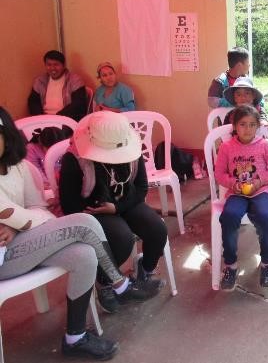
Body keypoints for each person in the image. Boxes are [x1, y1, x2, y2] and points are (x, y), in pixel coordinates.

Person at [0, 106, 161, 360]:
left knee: (85, 254)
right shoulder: (74, 161)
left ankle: (74, 338)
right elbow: (31, 213)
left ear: (6, 135)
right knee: (84, 223)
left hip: (27, 242)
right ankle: (120, 284)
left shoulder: (21, 168)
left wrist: (14, 223)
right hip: (4, 257)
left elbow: (40, 210)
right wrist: (20, 220)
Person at [58, 111, 168, 313]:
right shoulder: (74, 160)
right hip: (92, 210)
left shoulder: (131, 152)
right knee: (122, 238)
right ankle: (105, 281)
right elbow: (70, 205)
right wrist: (102, 212)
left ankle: (144, 271)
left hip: (125, 201)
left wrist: (117, 208)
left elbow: (141, 187)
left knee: (157, 230)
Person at [215, 105, 268, 290]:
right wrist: (233, 184)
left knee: (264, 216)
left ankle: (267, 263)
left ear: (257, 126)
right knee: (229, 216)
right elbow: (220, 173)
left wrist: (259, 182)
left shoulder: (265, 145)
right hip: (237, 193)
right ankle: (230, 265)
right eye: (243, 124)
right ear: (235, 126)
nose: (247, 129)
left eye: (252, 124)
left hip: (262, 191)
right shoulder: (226, 147)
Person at [28, 50, 88, 122]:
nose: (52, 68)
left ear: (63, 65)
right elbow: (33, 103)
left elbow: (78, 104)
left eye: (56, 64)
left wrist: (57, 118)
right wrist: (43, 118)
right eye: (49, 65)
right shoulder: (40, 81)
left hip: (65, 119)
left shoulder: (75, 80)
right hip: (44, 119)